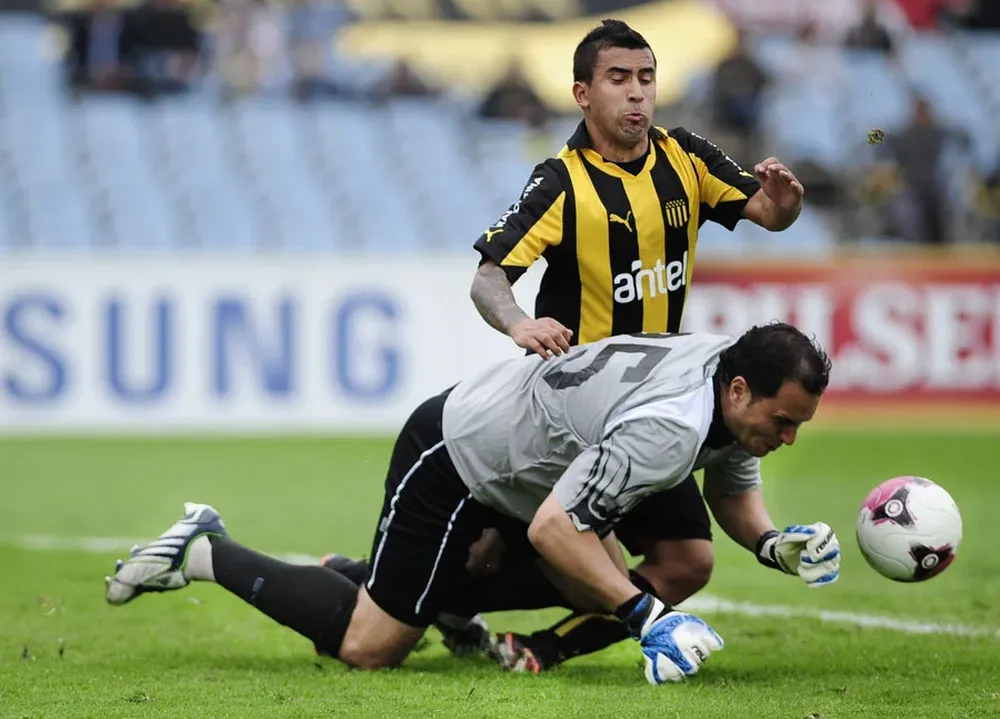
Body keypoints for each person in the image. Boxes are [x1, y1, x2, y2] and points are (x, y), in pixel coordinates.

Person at [105, 323, 841, 685]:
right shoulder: (670, 426)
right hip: (463, 453)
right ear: (739, 391)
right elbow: (559, 527)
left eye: (797, 425)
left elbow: (730, 484)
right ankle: (204, 549)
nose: (788, 437)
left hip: (547, 458)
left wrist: (773, 543)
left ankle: (422, 592)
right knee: (372, 647)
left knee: (685, 557)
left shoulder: (733, 371)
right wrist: (646, 617)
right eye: (783, 422)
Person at [460, 17, 806, 670]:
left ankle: (543, 648)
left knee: (687, 561)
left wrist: (784, 207)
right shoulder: (561, 182)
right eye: (619, 79)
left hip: (654, 408)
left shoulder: (686, 158)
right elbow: (487, 279)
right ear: (583, 94)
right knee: (517, 555)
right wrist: (516, 323)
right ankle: (402, 590)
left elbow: (766, 211)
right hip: (573, 416)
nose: (638, 93)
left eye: (646, 78)